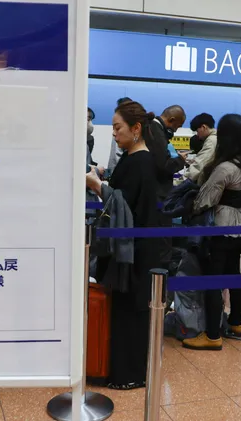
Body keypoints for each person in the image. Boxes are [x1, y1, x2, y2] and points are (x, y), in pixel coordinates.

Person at [86, 100, 160, 389]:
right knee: (126, 311)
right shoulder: (138, 159)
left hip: (133, 250)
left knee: (129, 313)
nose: (114, 133)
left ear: (136, 128)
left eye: (118, 128)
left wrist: (96, 185)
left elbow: (123, 206)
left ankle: (127, 375)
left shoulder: (139, 162)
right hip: (134, 247)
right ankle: (126, 372)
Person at [182, 114, 241, 351]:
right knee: (234, 275)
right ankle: (236, 324)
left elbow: (205, 200)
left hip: (220, 227)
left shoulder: (224, 167)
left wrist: (190, 206)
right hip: (239, 226)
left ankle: (212, 335)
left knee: (213, 279)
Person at [149, 105, 189, 267]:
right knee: (162, 238)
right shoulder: (156, 131)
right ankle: (161, 273)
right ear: (172, 120)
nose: (176, 130)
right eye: (177, 126)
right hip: (159, 193)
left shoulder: (154, 129)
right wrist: (180, 160)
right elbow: (163, 165)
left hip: (157, 192)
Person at [186, 113, 217, 182]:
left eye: (197, 131)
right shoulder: (216, 137)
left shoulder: (211, 140)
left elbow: (199, 166)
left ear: (203, 127)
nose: (197, 135)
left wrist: (182, 179)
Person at [107, 97, 132, 174]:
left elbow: (115, 156)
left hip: (120, 173)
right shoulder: (137, 127)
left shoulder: (120, 129)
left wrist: (110, 174)